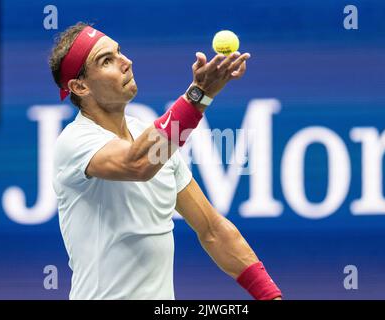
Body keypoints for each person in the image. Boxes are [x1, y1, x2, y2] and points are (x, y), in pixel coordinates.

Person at [50, 22, 282, 300]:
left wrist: (270, 296)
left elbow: (212, 230)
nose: (126, 62)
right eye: (106, 60)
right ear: (80, 86)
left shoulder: (151, 139)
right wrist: (198, 95)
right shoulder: (74, 142)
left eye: (119, 52)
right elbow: (137, 165)